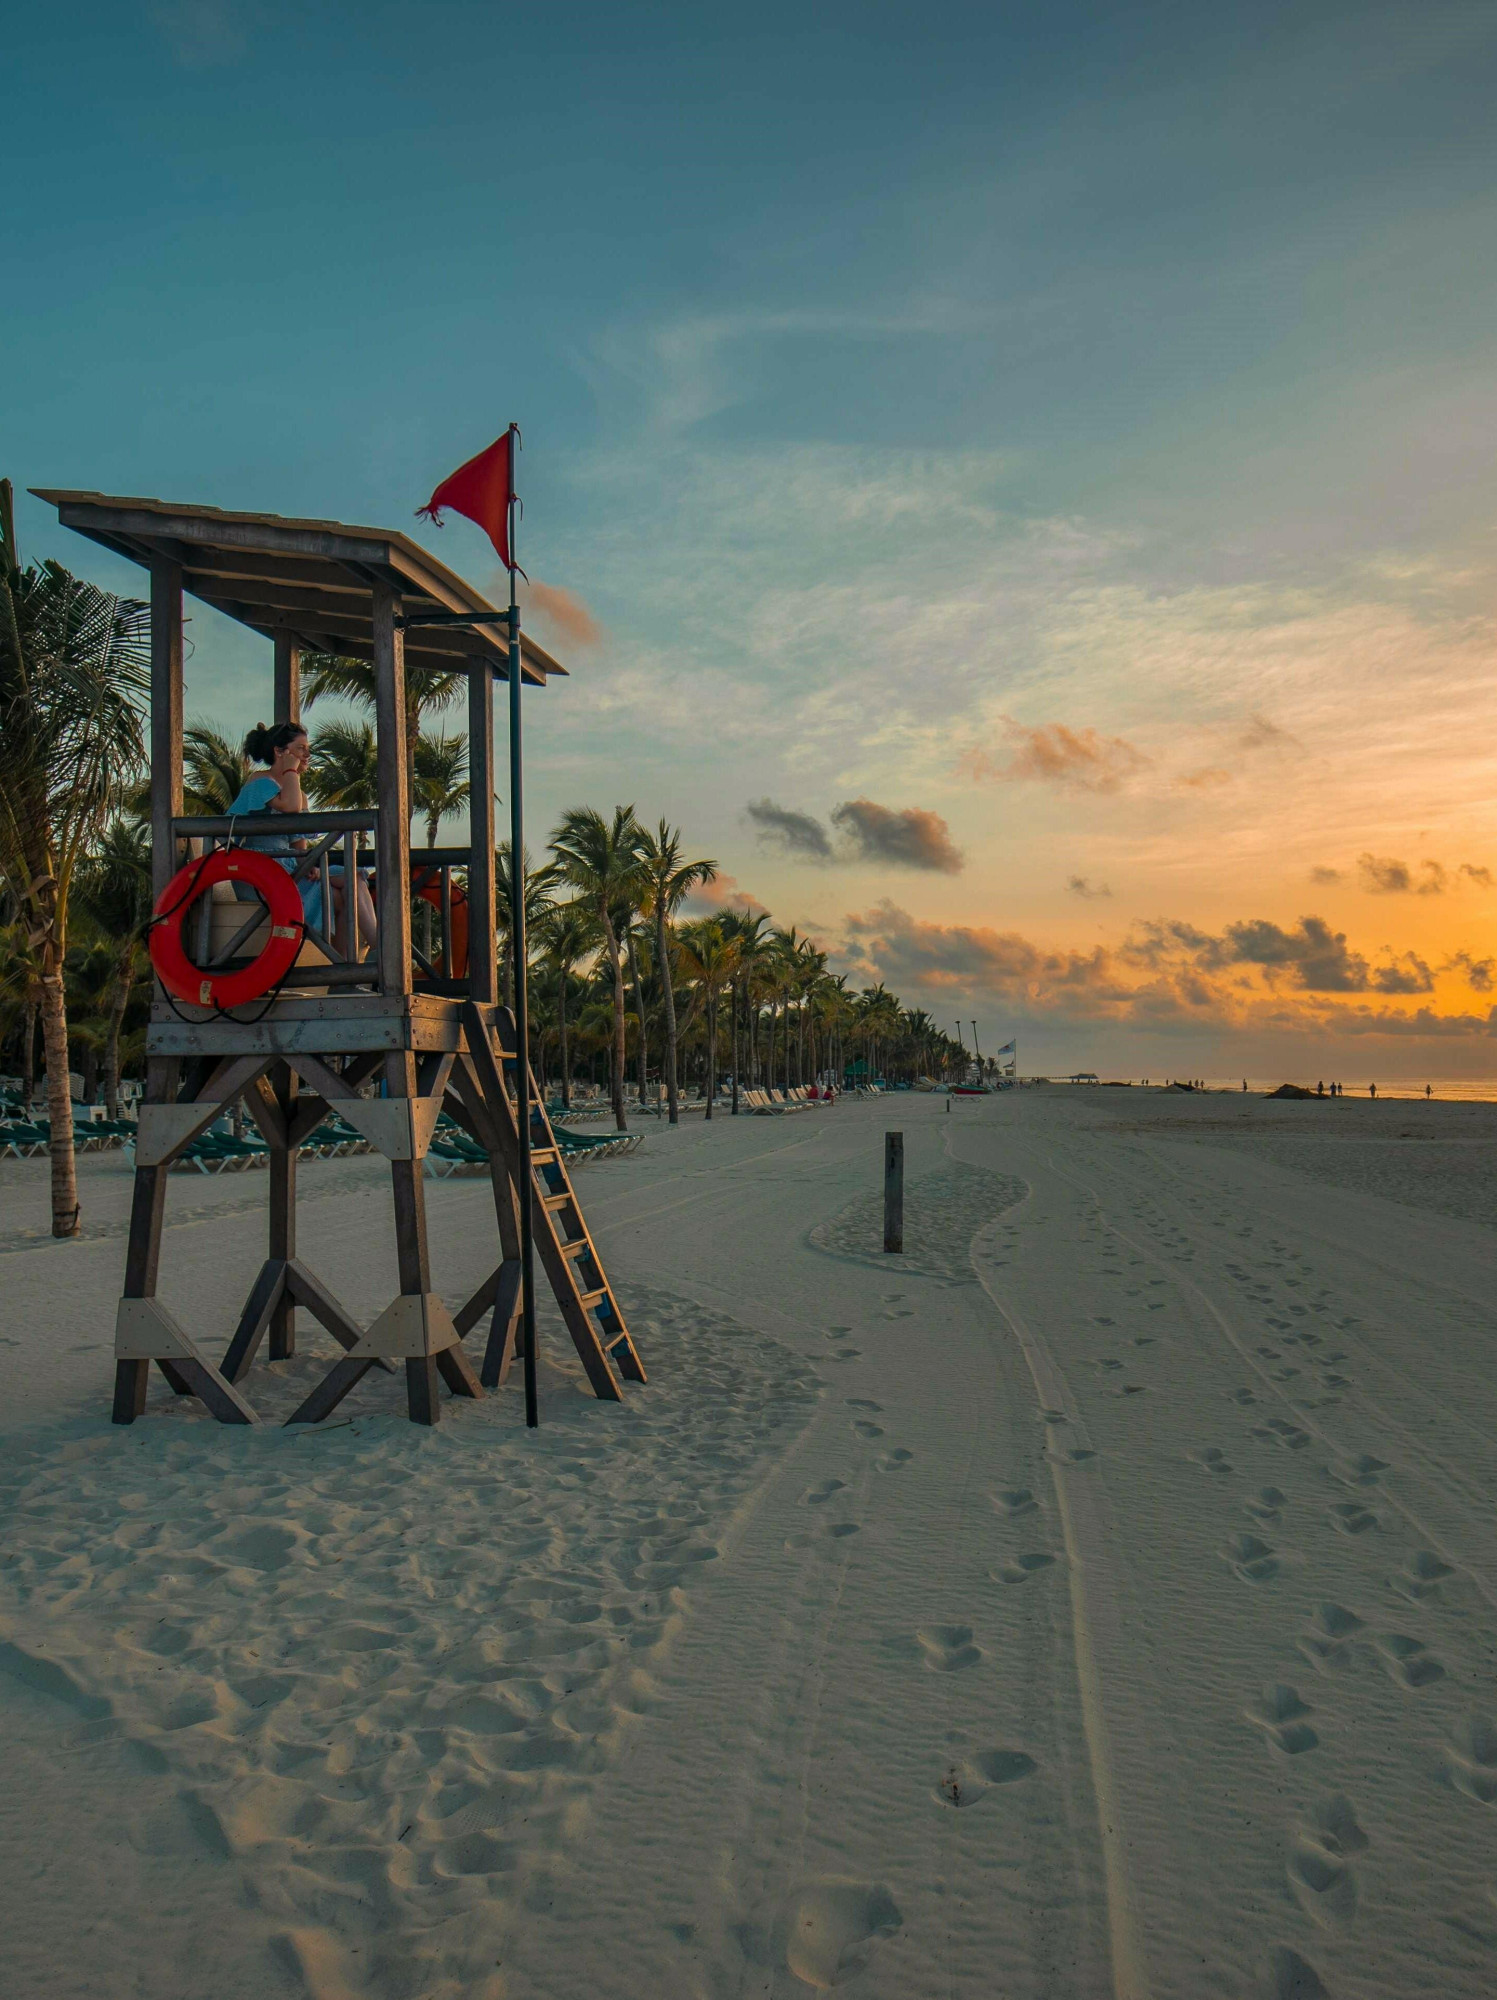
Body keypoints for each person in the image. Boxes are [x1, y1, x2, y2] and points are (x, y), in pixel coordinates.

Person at [228, 723, 377, 951]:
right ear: (280, 752)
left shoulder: (298, 795)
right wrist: (290, 771)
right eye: (300, 748)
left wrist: (310, 865)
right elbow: (290, 807)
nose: (307, 755)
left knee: (351, 882)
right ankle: (378, 948)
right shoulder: (260, 781)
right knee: (343, 890)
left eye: (308, 749)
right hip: (260, 873)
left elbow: (298, 846)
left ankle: (348, 969)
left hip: (288, 869)